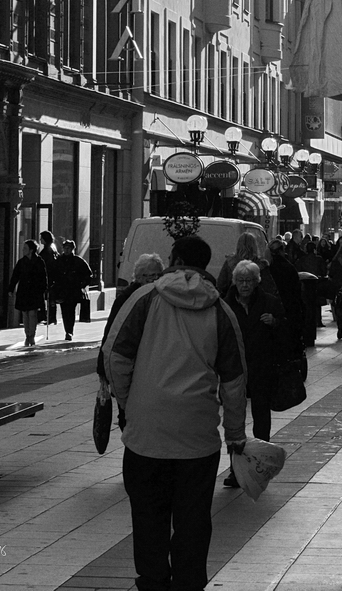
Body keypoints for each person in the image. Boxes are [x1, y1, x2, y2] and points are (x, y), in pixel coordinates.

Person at [102, 234, 247, 591]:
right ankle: (189, 581)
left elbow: (114, 357)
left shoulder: (144, 298)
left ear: (175, 258)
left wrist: (128, 401)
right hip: (197, 437)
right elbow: (235, 378)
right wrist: (235, 433)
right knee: (193, 518)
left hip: (145, 434)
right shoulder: (221, 310)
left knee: (148, 515)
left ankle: (152, 580)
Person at [222, 259, 285, 486]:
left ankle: (259, 465)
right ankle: (235, 469)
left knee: (261, 419)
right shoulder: (225, 305)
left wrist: (275, 323)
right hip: (234, 369)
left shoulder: (269, 302)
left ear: (257, 282)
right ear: (235, 282)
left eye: (249, 281)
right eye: (241, 281)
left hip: (261, 368)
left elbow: (286, 332)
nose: (245, 285)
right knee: (235, 421)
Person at [97, 254, 165, 389]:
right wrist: (102, 368)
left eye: (159, 276)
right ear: (139, 277)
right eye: (150, 276)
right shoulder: (127, 298)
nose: (155, 280)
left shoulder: (161, 297)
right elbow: (111, 333)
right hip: (130, 363)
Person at [267, 237, 304, 358]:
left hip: (271, 306)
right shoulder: (288, 267)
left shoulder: (267, 268)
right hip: (288, 305)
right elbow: (296, 289)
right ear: (281, 251)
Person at [216, 230, 280, 300]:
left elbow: (221, 285)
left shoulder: (230, 263)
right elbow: (270, 289)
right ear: (255, 246)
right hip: (256, 302)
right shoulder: (261, 265)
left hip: (233, 301)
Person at [7, 239, 48, 347]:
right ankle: (27, 334)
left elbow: (43, 278)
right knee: (25, 314)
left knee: (32, 313)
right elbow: (15, 276)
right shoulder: (21, 262)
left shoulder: (39, 261)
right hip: (24, 291)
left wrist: (43, 290)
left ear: (31, 250)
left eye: (25, 248)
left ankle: (32, 335)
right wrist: (11, 289)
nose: (22, 250)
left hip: (35, 291)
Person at [52, 240, 94, 341]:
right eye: (65, 248)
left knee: (70, 311)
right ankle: (67, 330)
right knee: (64, 311)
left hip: (73, 291)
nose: (66, 250)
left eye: (68, 248)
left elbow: (89, 275)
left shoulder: (78, 261)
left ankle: (69, 331)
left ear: (72, 249)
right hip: (62, 290)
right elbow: (53, 274)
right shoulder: (59, 260)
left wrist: (81, 285)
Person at [38, 230, 59, 326]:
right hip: (52, 276)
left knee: (48, 297)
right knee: (51, 298)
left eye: (41, 238)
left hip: (48, 276)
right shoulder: (52, 247)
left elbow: (46, 263)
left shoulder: (47, 250)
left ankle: (48, 317)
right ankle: (51, 317)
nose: (40, 240)